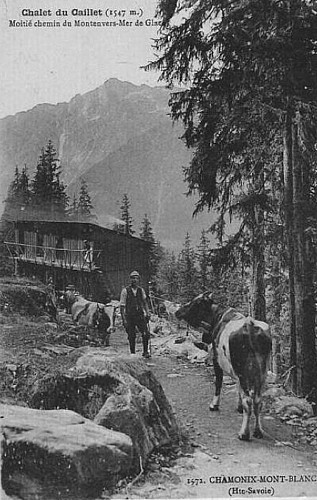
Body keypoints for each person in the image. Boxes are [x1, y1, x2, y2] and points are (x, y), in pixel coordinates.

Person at [120, 271, 151, 357]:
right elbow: (122, 307)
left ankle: (145, 352)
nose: (135, 280)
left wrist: (147, 312)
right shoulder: (125, 291)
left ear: (139, 280)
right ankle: (132, 353)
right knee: (131, 335)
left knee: (145, 333)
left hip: (139, 315)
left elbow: (144, 302)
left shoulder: (141, 290)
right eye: (133, 278)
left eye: (136, 278)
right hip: (130, 316)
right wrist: (124, 320)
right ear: (130, 280)